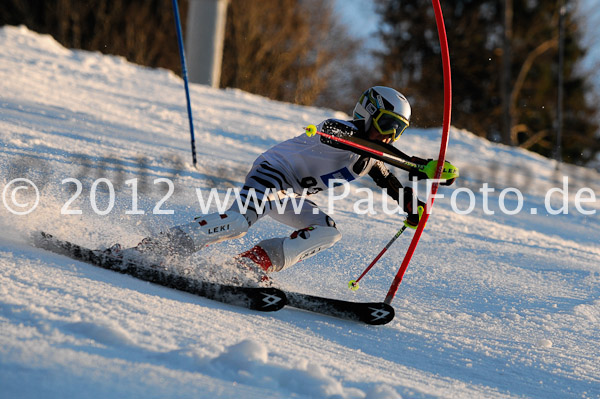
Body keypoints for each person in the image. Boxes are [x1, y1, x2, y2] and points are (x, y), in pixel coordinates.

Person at [122, 86, 458, 275]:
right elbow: (337, 136)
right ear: (367, 113)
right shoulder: (340, 129)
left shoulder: (372, 156)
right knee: (239, 221)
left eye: (397, 130)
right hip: (271, 174)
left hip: (289, 193)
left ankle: (249, 266)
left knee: (328, 231)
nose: (390, 136)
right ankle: (158, 248)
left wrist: (411, 205)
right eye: (386, 124)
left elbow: (387, 179)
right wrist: (417, 165)